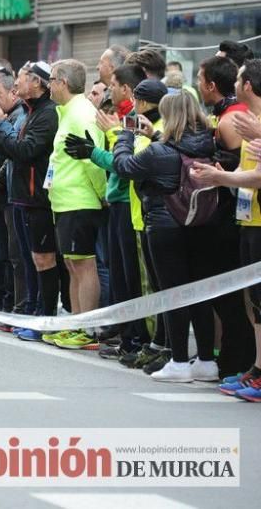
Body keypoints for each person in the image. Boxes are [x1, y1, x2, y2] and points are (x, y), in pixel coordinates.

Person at [112, 90, 220, 383]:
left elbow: (124, 167)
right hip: (202, 224)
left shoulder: (158, 152)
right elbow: (179, 148)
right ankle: (207, 360)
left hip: (165, 226)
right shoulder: (209, 143)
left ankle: (179, 361)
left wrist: (125, 137)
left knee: (172, 293)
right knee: (200, 292)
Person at [66, 64, 151, 361]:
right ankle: (127, 335)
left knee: (131, 278)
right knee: (119, 275)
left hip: (131, 206)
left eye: (111, 84)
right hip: (118, 201)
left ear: (126, 89)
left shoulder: (132, 120)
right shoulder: (118, 116)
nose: (106, 89)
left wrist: (95, 150)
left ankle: (137, 338)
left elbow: (124, 162)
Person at [191, 58, 261, 400]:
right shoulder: (249, 122)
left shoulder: (246, 122)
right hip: (248, 219)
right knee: (254, 302)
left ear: (247, 85)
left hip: (255, 222)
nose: (234, 84)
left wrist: (220, 176)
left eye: (239, 79)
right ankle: (255, 369)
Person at [0, 62, 59, 342]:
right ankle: (32, 311)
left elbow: (25, 151)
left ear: (37, 82)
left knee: (42, 260)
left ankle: (43, 316)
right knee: (28, 259)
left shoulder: (46, 114)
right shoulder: (33, 112)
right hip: (22, 196)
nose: (15, 86)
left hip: (38, 199)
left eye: (20, 81)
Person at [41, 59, 107, 350]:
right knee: (71, 263)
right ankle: (75, 323)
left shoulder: (82, 114)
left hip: (81, 201)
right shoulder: (66, 112)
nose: (48, 85)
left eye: (51, 79)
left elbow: (93, 161)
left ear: (63, 82)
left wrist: (102, 195)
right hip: (64, 200)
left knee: (83, 264)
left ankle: (87, 328)